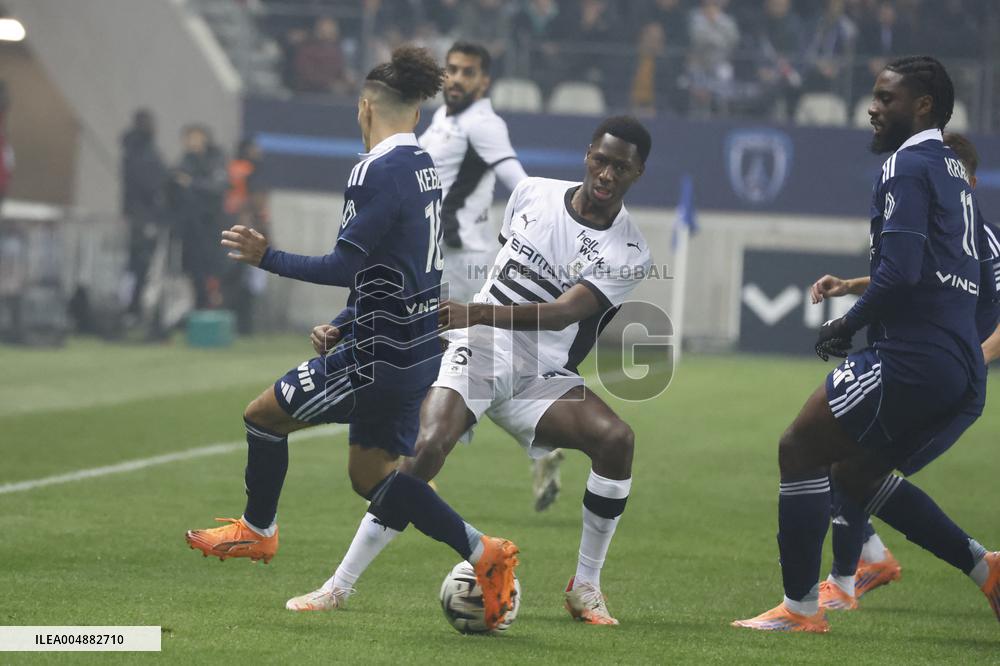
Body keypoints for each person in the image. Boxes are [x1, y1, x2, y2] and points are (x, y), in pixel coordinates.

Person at [185, 46, 520, 630]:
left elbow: (346, 265)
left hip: (375, 355)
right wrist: (341, 322)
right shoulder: (423, 167)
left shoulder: (374, 171)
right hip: (412, 349)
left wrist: (269, 257)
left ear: (365, 108)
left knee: (262, 417)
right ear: (416, 114)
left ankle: (258, 531)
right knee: (372, 478)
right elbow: (400, 269)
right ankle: (483, 553)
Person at [289, 116, 654, 626]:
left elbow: (569, 311)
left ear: (638, 172)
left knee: (617, 441)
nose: (607, 174)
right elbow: (493, 274)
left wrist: (479, 311)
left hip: (541, 372)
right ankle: (337, 586)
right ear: (587, 153)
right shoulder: (532, 193)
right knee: (428, 448)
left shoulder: (631, 250)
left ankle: (585, 588)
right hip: (480, 347)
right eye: (601, 159)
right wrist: (348, 322)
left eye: (622, 167)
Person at [733, 56, 1000, 634]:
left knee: (800, 446)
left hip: (912, 355)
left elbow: (902, 272)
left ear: (922, 107)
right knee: (858, 475)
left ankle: (803, 609)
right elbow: (939, 268)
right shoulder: (953, 171)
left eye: (886, 98)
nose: (872, 109)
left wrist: (846, 322)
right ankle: (986, 570)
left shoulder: (906, 164)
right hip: (957, 362)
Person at [808, 130, 1000, 611]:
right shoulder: (944, 233)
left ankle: (850, 578)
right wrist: (851, 283)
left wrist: (974, 357)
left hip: (948, 379)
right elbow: (911, 273)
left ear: (968, 185)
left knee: (844, 459)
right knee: (848, 462)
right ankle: (875, 564)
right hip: (926, 369)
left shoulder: (985, 240)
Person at [419, 42, 563, 511]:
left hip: (461, 265)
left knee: (441, 361)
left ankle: (415, 468)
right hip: (439, 260)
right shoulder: (443, 119)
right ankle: (541, 442)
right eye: (452, 70)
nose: (457, 79)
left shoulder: (483, 122)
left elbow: (518, 181)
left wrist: (541, 231)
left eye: (468, 73)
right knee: (467, 369)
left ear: (485, 81)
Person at [168, 124, 227, 309]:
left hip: (212, 225)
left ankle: (213, 308)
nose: (191, 142)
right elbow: (175, 186)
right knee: (193, 272)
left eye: (195, 137)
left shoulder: (216, 160)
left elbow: (217, 188)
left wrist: (191, 183)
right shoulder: (185, 161)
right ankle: (196, 309)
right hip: (190, 227)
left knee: (214, 270)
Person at [120, 109, 167, 319]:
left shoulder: (133, 149)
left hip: (137, 214)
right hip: (144, 215)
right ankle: (131, 309)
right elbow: (150, 183)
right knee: (139, 264)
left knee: (136, 265)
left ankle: (131, 308)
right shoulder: (143, 152)